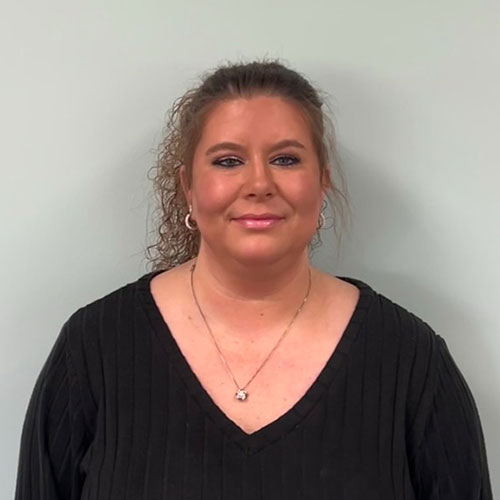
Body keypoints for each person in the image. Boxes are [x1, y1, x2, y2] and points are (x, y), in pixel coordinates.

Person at [15, 59, 492, 500]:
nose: (259, 183)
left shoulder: (412, 363)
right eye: (228, 161)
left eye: (286, 159)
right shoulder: (92, 351)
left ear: (322, 181)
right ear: (188, 187)